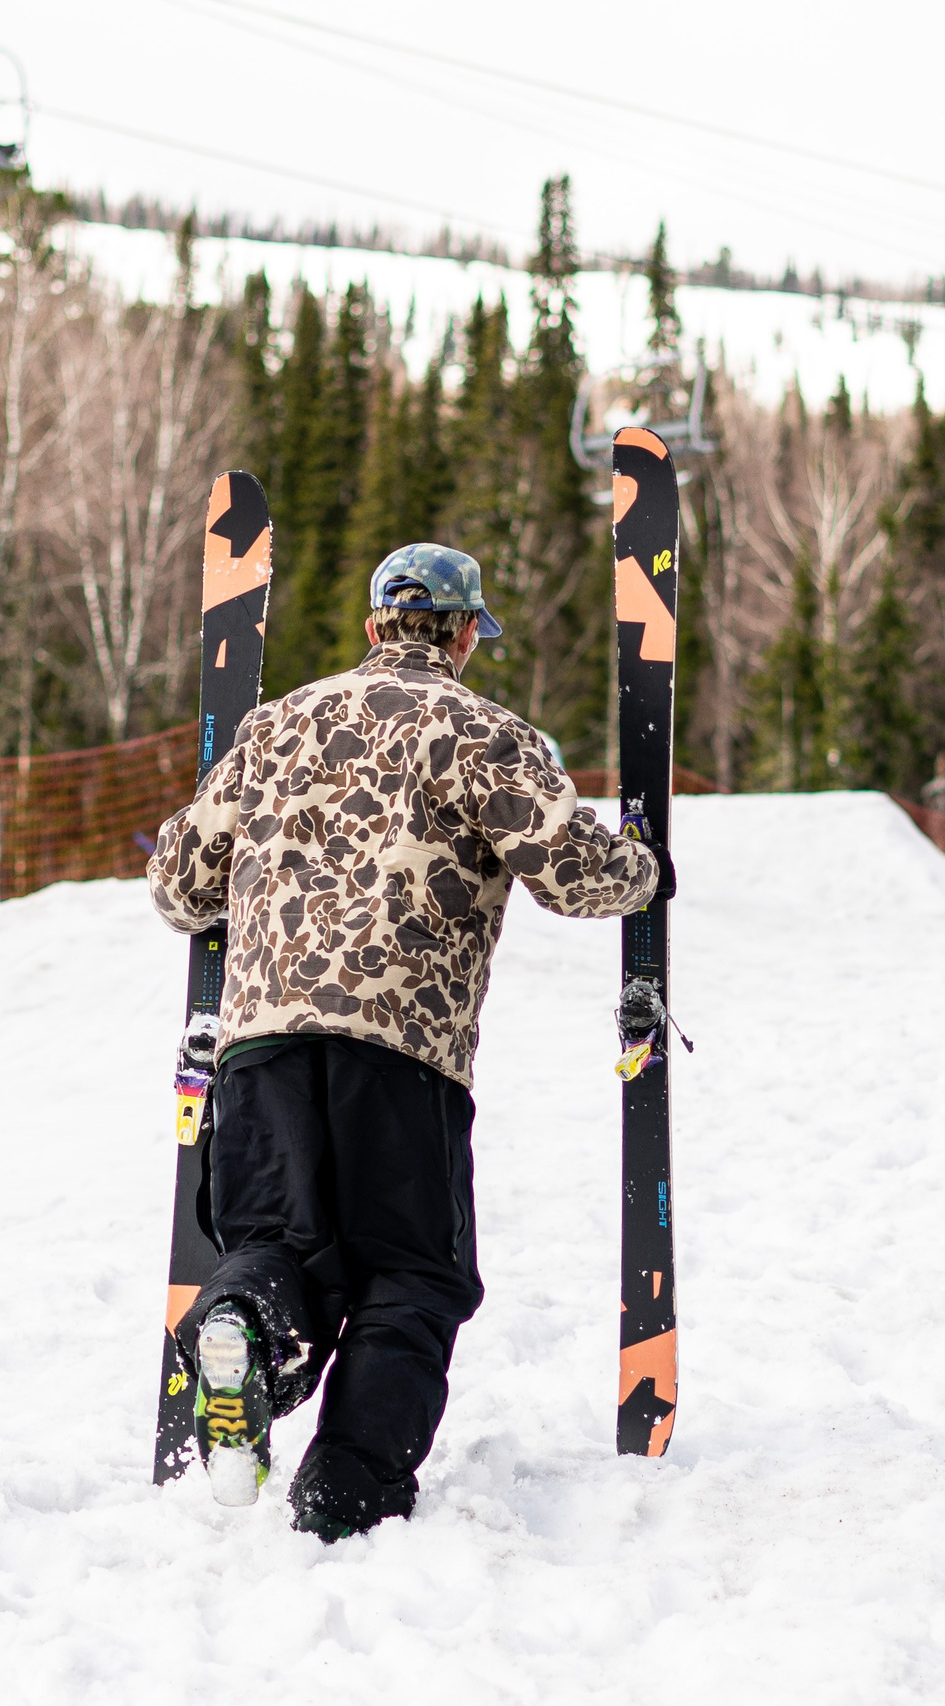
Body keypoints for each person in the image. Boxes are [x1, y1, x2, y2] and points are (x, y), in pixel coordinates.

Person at [146, 542, 668, 1542]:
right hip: (401, 1049)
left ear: (373, 625)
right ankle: (347, 1489)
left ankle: (244, 1326)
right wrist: (644, 869)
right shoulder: (479, 731)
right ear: (467, 631)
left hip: (257, 1048)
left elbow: (178, 886)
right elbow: (574, 872)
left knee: (272, 1244)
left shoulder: (272, 727)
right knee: (413, 1274)